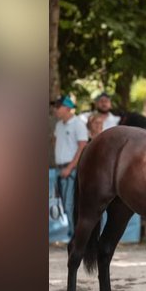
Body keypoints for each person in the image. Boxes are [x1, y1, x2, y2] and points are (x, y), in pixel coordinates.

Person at [53, 95, 89, 237]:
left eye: (58, 106)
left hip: (72, 170)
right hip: (60, 168)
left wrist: (70, 168)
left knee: (70, 205)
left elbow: (82, 147)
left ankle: (76, 237)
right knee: (65, 204)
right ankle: (74, 235)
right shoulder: (59, 125)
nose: (55, 109)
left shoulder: (78, 124)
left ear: (68, 108)